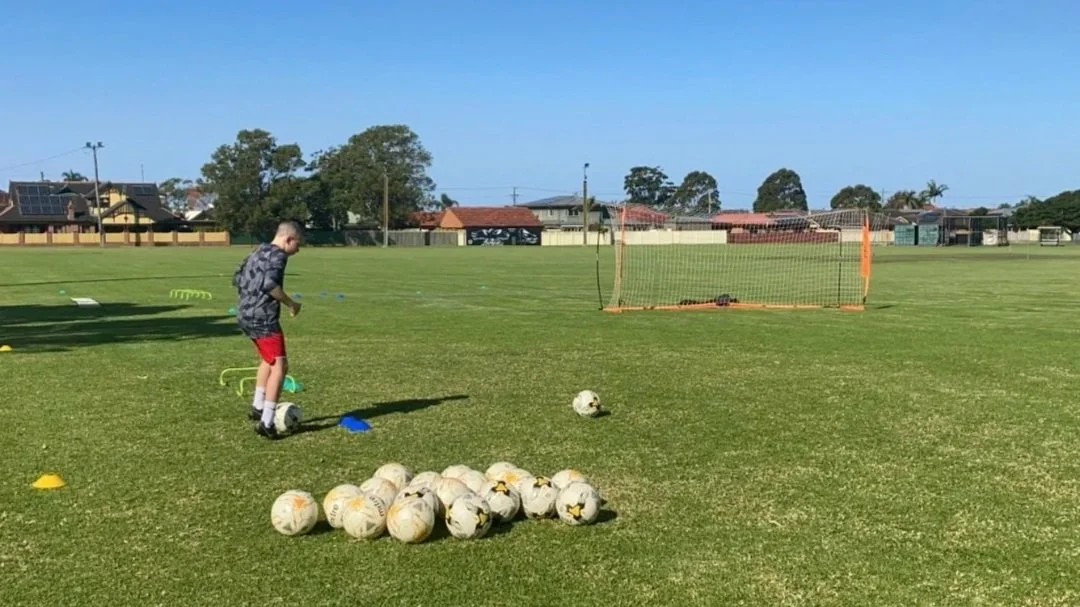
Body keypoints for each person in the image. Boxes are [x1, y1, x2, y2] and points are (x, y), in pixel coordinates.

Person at [232, 221, 303, 439]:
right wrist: (291, 303)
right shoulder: (278, 255)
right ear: (288, 239)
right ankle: (267, 421)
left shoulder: (258, 249)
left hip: (244, 314)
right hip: (263, 318)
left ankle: (258, 406)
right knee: (280, 366)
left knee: (267, 360)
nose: (298, 250)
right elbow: (270, 285)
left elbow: (237, 277)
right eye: (298, 244)